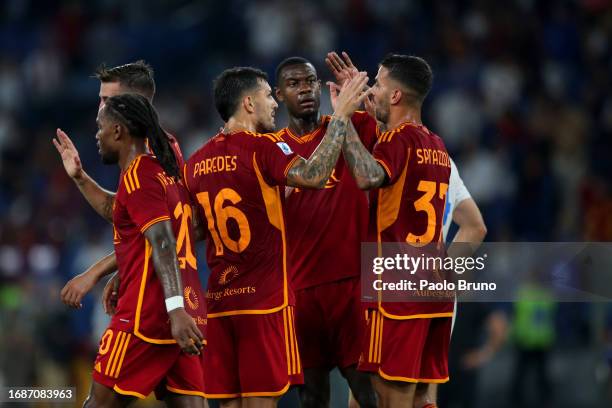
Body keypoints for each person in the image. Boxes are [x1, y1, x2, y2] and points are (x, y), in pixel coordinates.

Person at [183, 67, 370, 407]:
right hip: (264, 303)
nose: (274, 104)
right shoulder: (263, 148)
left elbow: (186, 230)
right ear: (250, 103)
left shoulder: (195, 163)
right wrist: (340, 115)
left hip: (222, 306)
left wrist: (120, 269)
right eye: (269, 96)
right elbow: (314, 175)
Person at [59, 93, 206, 406]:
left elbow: (163, 241)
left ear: (117, 131)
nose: (96, 135)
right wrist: (80, 177)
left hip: (145, 319)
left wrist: (174, 308)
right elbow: (134, 224)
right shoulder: (163, 171)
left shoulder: (139, 175)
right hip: (181, 317)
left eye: (100, 127)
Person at [336, 54, 452, 407]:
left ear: (397, 97)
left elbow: (369, 176)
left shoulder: (397, 140)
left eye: (379, 85)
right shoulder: (437, 145)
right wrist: (371, 118)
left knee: (387, 399)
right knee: (419, 398)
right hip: (433, 289)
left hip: (396, 291)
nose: (372, 91)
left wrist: (343, 120)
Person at [273, 55, 377, 408]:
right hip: (301, 293)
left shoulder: (350, 125)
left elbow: (391, 128)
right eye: (294, 84)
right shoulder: (271, 151)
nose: (305, 89)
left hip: (354, 286)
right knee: (313, 397)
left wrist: (366, 95)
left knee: (369, 393)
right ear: (279, 94)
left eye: (310, 82)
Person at [57, 61, 183, 312]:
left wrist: (95, 272)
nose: (99, 110)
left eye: (107, 100)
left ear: (133, 101)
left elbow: (165, 234)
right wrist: (80, 177)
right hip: (159, 293)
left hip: (154, 303)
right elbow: (127, 214)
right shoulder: (160, 146)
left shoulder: (143, 156)